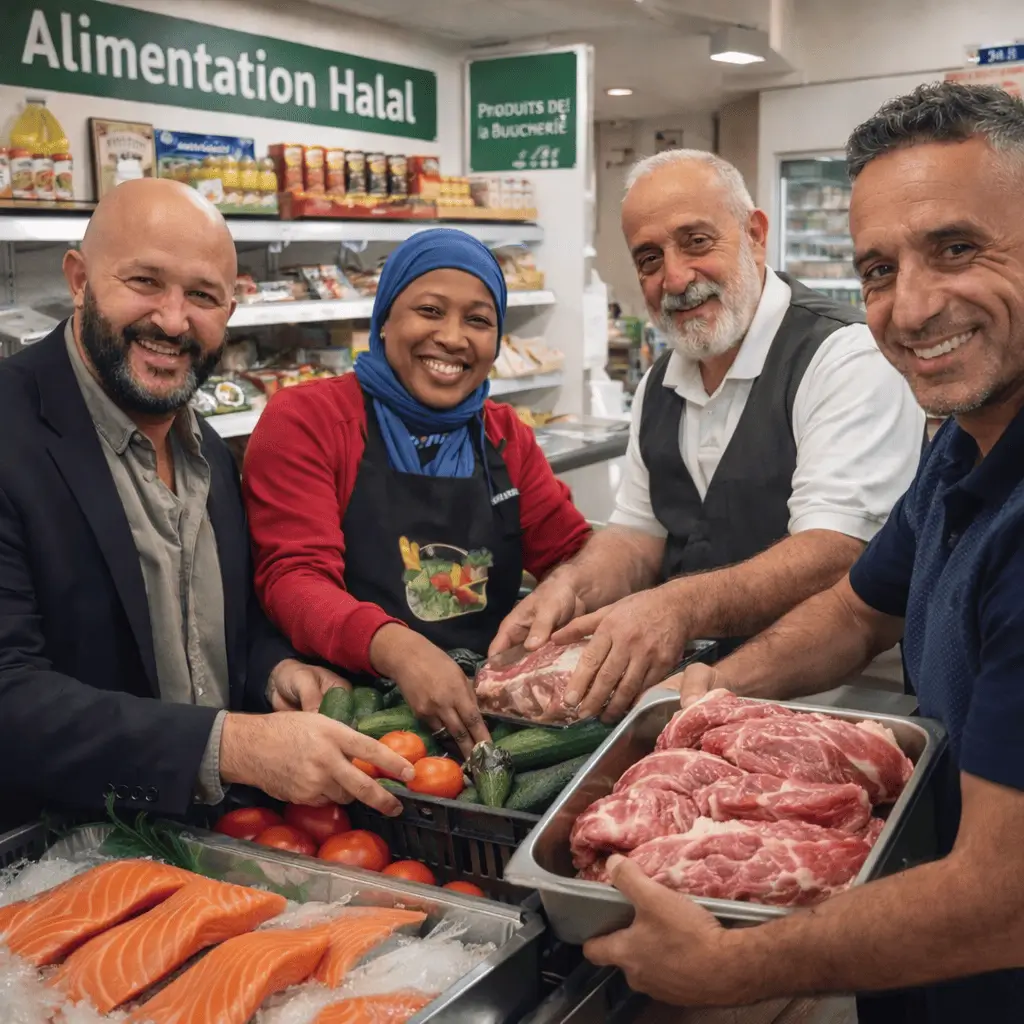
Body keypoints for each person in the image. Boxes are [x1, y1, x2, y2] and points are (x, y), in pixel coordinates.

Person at [584, 82, 1024, 1024]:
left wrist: (734, 965)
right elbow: (860, 607)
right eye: (879, 270)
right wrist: (713, 699)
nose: (911, 307)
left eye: (957, 248)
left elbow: (1004, 898)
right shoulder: (964, 447)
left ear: (754, 236)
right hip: (922, 947)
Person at [0, 178, 413, 832]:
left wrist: (273, 671)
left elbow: (212, 631)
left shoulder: (209, 451)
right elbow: (10, 692)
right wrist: (230, 747)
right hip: (51, 851)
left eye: (202, 296)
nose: (173, 321)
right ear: (79, 280)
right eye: (145, 282)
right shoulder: (13, 431)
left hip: (205, 839)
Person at [490, 149, 924, 722]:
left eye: (696, 242)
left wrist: (678, 606)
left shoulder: (844, 356)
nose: (675, 279)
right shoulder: (660, 384)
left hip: (832, 707)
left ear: (755, 235)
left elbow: (836, 551)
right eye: (649, 258)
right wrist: (572, 585)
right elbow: (636, 536)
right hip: (694, 700)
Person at [243, 229, 591, 755]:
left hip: (483, 714)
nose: (453, 337)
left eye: (478, 320)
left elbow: (572, 555)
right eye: (430, 310)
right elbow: (294, 578)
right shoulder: (310, 420)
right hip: (349, 717)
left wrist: (570, 591)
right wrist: (398, 649)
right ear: (384, 319)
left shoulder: (504, 436)